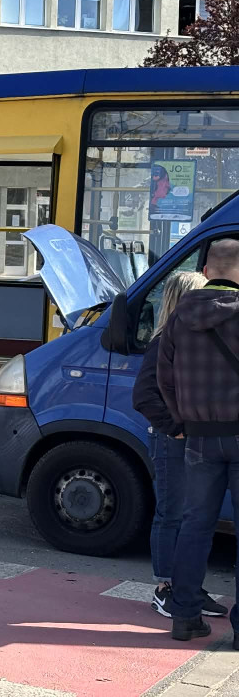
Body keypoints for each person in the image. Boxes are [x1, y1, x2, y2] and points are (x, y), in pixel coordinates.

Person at [158, 238, 239, 644]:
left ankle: (185, 616)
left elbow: (163, 379)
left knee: (194, 527)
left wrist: (181, 420)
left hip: (199, 439)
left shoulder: (178, 318)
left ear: (206, 271)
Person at [133, 272, 225, 618]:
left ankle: (188, 587)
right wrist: (175, 428)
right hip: (173, 440)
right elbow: (143, 396)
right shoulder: (164, 342)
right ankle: (165, 587)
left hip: (197, 439)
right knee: (172, 514)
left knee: (195, 517)